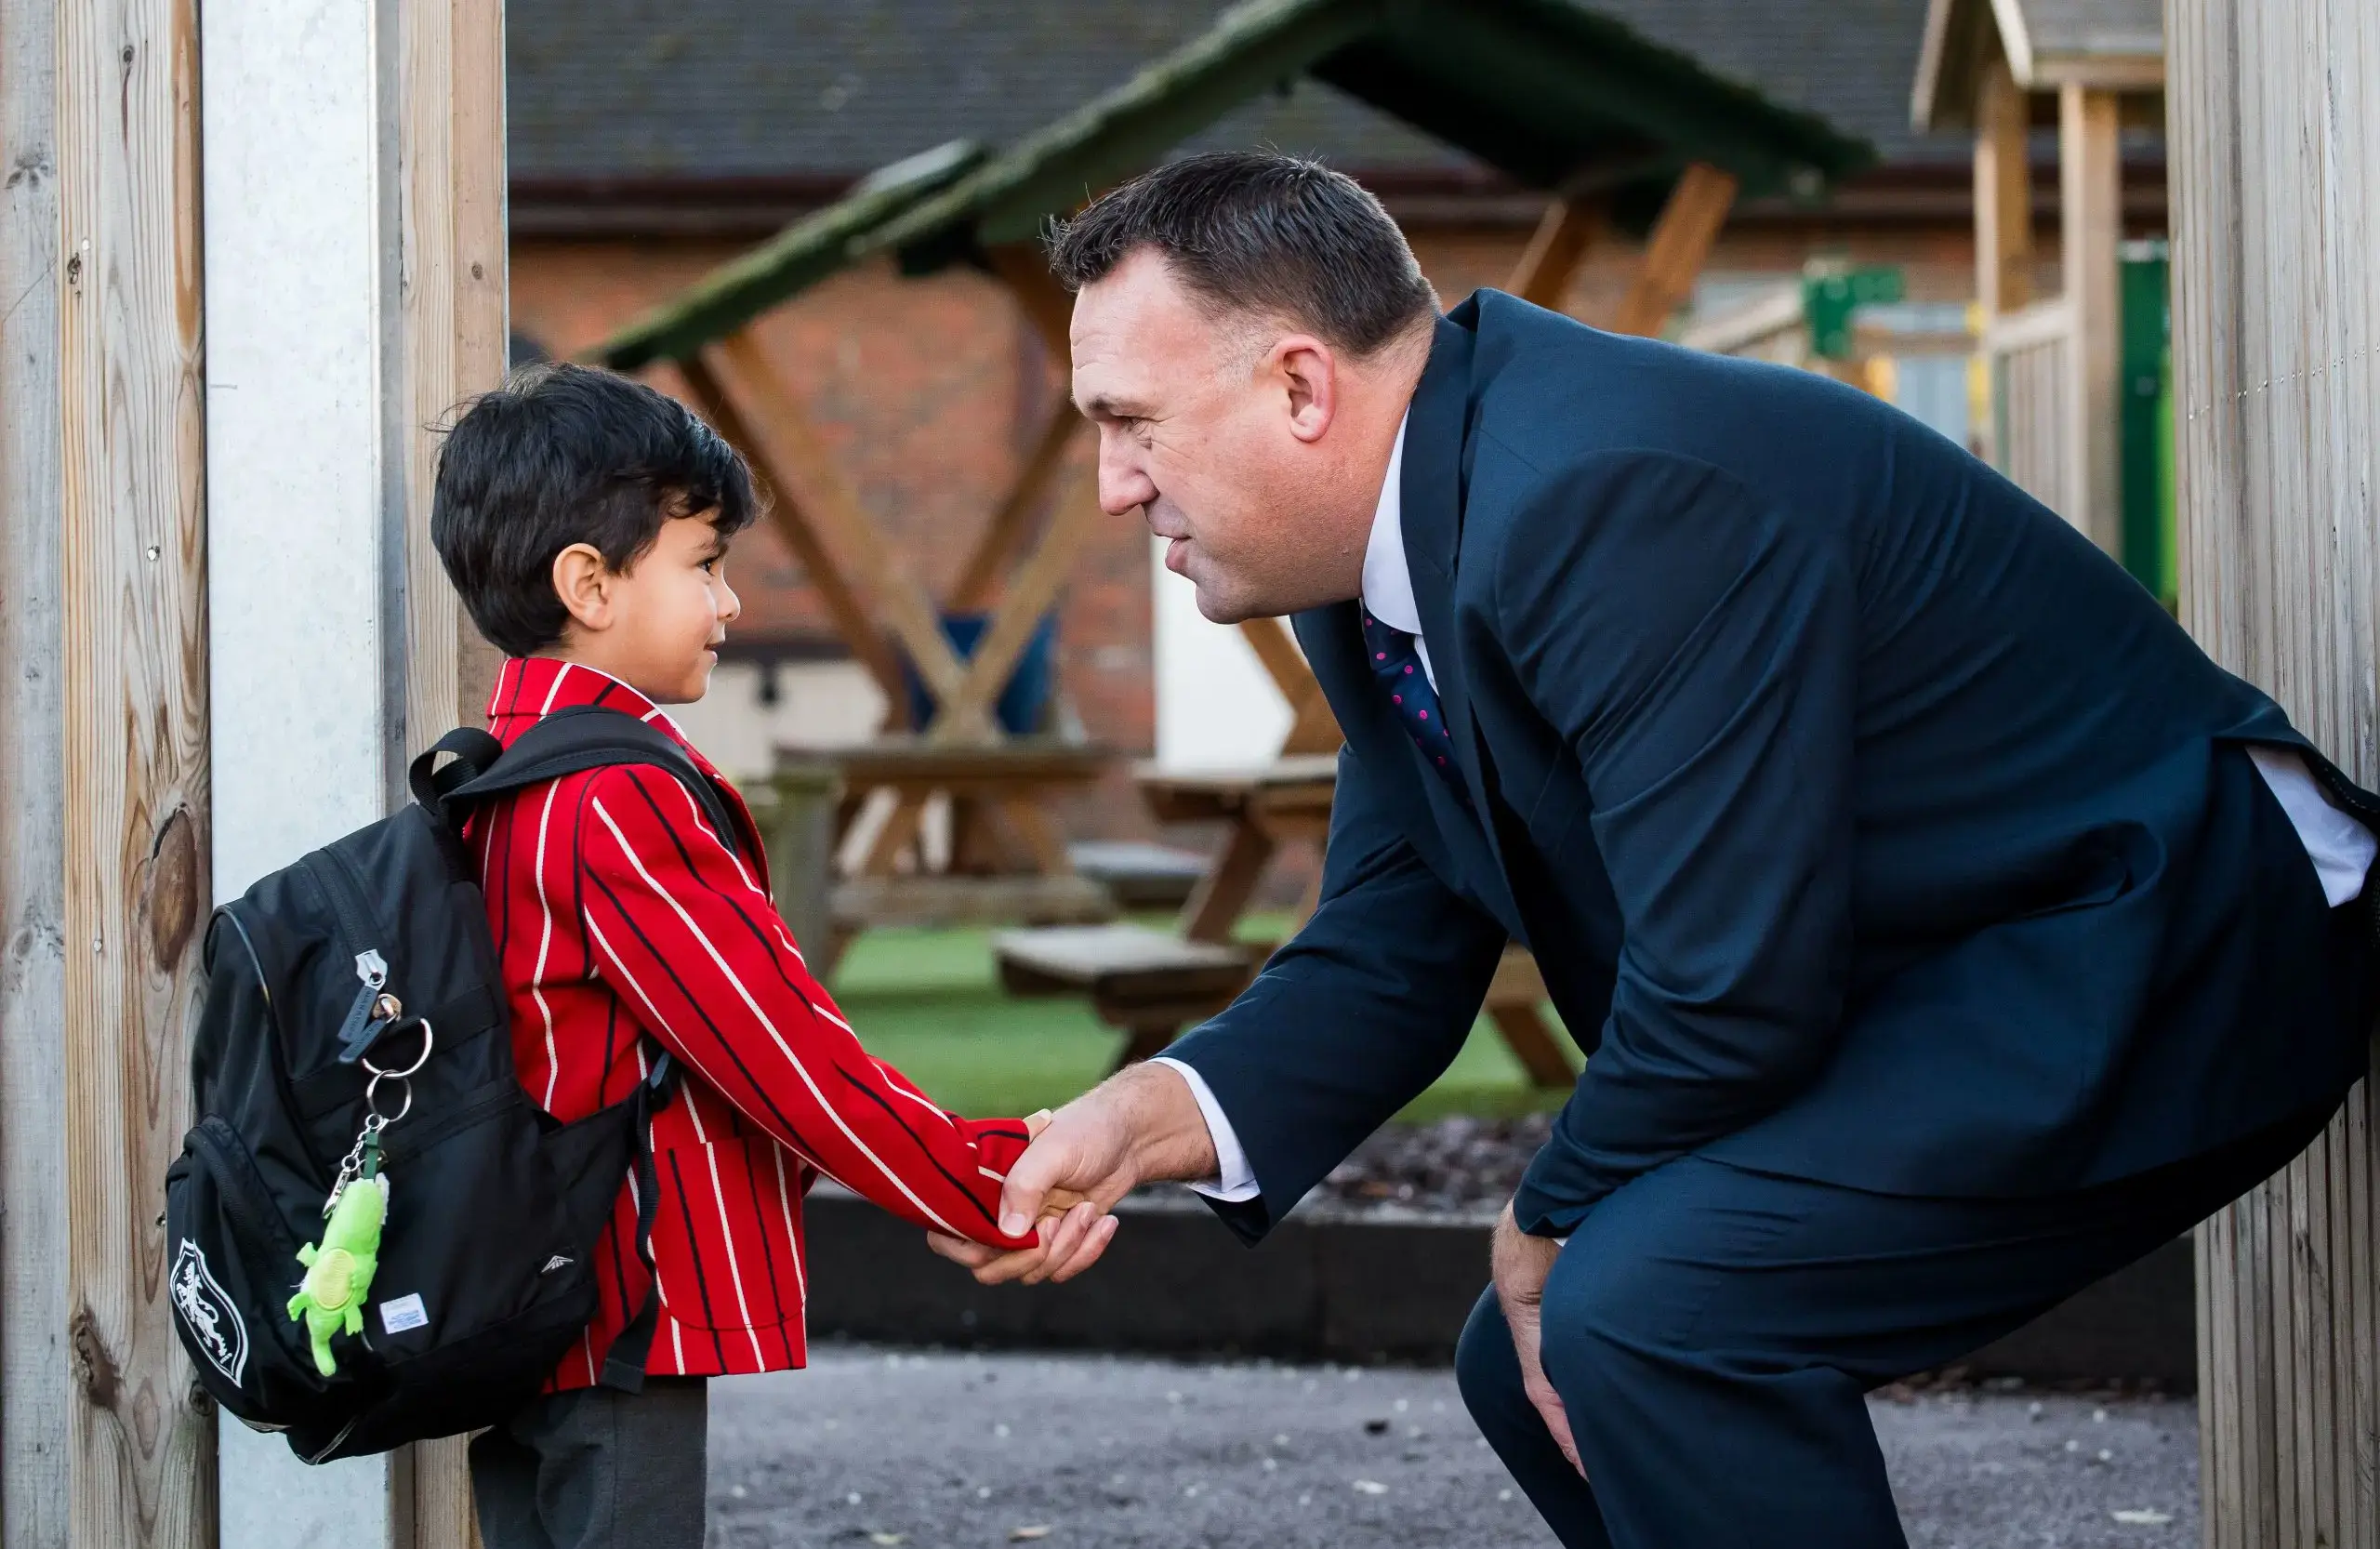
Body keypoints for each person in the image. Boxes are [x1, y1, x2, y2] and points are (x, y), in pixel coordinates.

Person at [928, 152, 2380, 1548]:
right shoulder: (1384, 554)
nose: (1117, 485)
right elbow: (1390, 948)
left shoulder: (1601, 495)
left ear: (1301, 385)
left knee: (1648, 1312)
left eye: (1131, 421)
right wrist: (1146, 1117)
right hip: (1968, 961)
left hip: (2178, 925)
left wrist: (1546, 1210)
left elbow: (1731, 976)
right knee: (1541, 1353)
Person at [429, 364, 1106, 1549]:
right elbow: (776, 1049)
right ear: (587, 584)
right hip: (616, 1307)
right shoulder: (612, 798)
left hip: (524, 1301)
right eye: (702, 564)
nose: (732, 601)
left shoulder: (500, 780)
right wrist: (984, 1181)